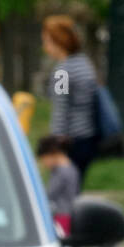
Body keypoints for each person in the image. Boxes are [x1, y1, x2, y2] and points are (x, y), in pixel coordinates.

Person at [41, 15, 99, 182]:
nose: (45, 47)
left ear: (58, 42)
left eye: (47, 41)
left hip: (70, 142)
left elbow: (61, 110)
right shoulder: (84, 63)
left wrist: (55, 148)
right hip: (87, 138)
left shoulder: (62, 72)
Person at [36, 134, 79, 234]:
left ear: (52, 154)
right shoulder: (72, 168)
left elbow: (49, 194)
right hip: (68, 214)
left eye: (43, 159)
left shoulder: (61, 172)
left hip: (61, 216)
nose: (44, 164)